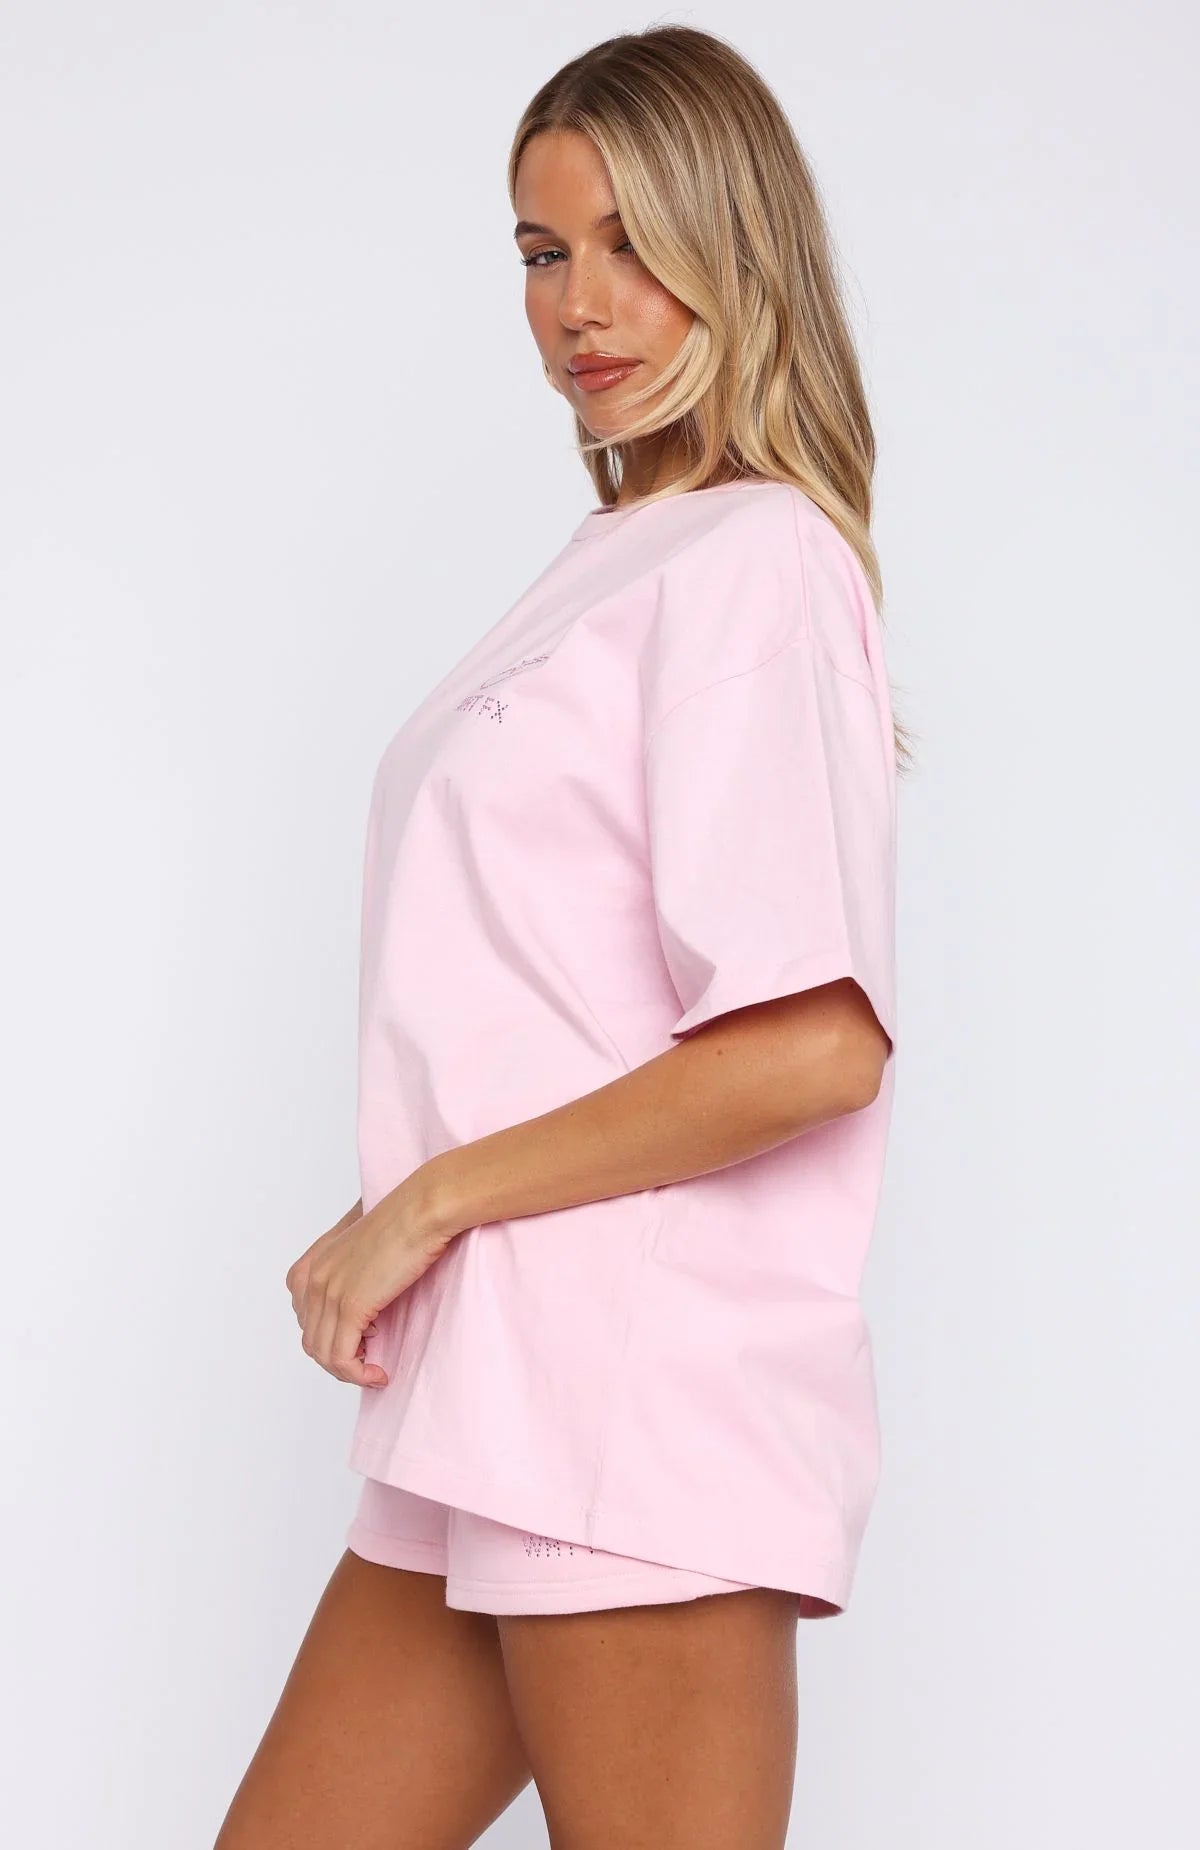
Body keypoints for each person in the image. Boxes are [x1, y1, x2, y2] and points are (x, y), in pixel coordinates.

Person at [215, 23, 910, 1850]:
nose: (579, 307)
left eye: (631, 243)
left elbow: (815, 1040)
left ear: (737, 246)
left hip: (633, 1400)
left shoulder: (756, 558)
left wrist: (427, 1202)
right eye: (542, 251)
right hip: (494, 1387)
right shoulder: (624, 556)